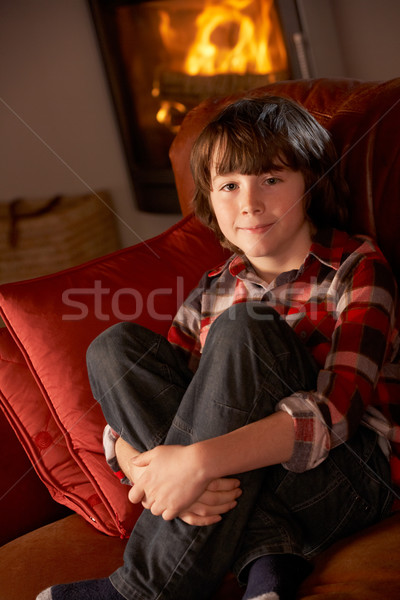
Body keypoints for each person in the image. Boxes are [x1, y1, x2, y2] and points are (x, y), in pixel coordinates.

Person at [37, 96, 400, 600]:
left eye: (271, 179)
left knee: (241, 329)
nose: (249, 202)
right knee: (113, 348)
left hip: (346, 479)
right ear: (209, 199)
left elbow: (338, 413)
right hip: (253, 487)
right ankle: (269, 556)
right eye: (229, 185)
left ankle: (144, 588)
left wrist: (197, 465)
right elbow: (160, 407)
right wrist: (134, 457)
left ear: (311, 182)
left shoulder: (358, 268)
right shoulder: (212, 289)